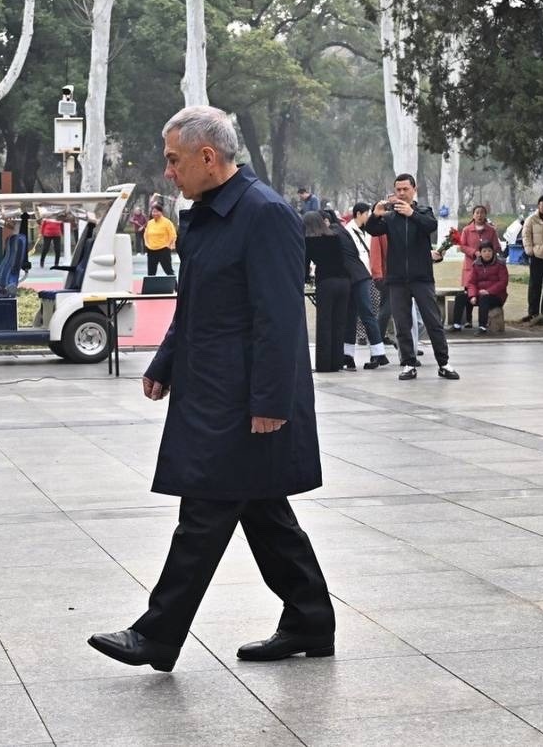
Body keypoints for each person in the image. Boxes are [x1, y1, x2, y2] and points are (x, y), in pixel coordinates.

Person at [88, 106, 334, 672]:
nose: (168, 172)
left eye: (174, 160)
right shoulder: (205, 215)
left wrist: (271, 402)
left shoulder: (264, 213)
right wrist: (165, 362)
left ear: (207, 156)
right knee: (262, 510)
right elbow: (195, 303)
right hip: (211, 389)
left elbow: (280, 317)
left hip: (247, 399)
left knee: (205, 511)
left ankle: (158, 634)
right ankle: (311, 619)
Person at [364, 176, 459, 381]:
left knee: (433, 321)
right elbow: (372, 229)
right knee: (402, 323)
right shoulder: (390, 217)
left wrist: (412, 214)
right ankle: (408, 363)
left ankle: (444, 363)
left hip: (422, 277)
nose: (401, 193)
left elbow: (430, 226)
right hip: (397, 279)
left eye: (405, 189)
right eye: (398, 189)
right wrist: (375, 215)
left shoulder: (424, 212)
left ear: (414, 190)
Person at [342, 203, 390, 369]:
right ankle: (349, 355)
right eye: (366, 214)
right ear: (358, 214)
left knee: (367, 314)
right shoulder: (348, 231)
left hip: (366, 277)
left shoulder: (367, 230)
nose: (368, 217)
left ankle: (378, 353)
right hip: (358, 277)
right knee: (354, 316)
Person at [304, 212, 349, 372]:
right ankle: (337, 362)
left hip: (326, 282)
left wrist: (305, 279)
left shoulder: (309, 240)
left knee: (325, 323)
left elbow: (305, 264)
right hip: (344, 282)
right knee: (339, 323)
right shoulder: (334, 236)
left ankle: (324, 364)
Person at [521, 194, 543, 321]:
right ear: (538, 205)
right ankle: (533, 313)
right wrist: (530, 250)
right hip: (537, 255)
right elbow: (526, 236)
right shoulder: (531, 219)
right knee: (535, 285)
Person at [462, 243, 509, 333]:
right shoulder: (476, 264)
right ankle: (458, 324)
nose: (487, 253)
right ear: (480, 253)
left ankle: (482, 327)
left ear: (493, 252)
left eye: (489, 251)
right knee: (462, 296)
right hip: (480, 294)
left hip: (496, 296)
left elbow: (503, 282)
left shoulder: (500, 264)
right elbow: (471, 282)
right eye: (484, 251)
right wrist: (473, 295)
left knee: (484, 299)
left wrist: (488, 291)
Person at [143, 203, 177, 276]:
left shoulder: (167, 222)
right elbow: (146, 235)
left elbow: (173, 235)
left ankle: (176, 287)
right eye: (153, 211)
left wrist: (168, 245)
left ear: (161, 212)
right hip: (151, 250)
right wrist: (147, 244)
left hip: (163, 249)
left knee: (168, 270)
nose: (155, 213)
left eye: (156, 211)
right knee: (151, 273)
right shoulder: (150, 223)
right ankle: (151, 287)